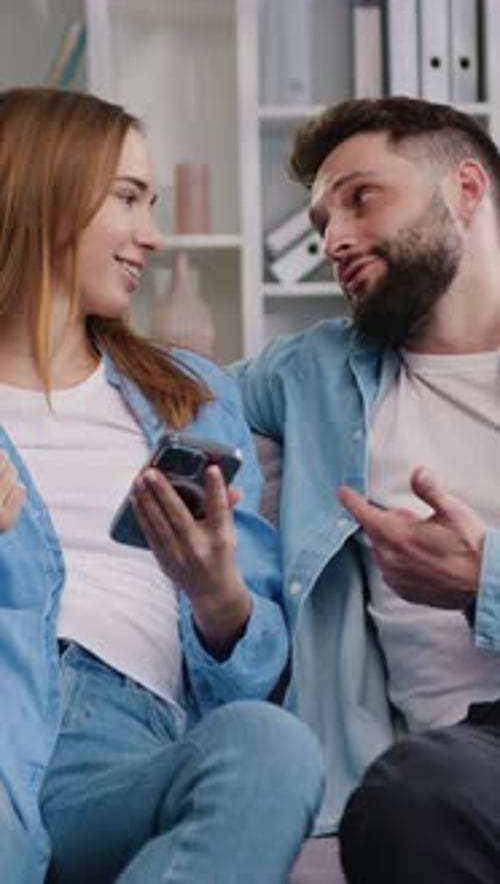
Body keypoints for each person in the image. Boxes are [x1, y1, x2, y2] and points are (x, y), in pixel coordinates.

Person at [0, 85, 324, 884]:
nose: (154, 234)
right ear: (44, 190)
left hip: (124, 749)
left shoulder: (188, 393)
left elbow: (251, 674)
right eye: (129, 199)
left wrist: (218, 598)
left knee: (271, 748)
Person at [232, 95, 500, 883]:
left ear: (466, 189)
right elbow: (140, 394)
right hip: (452, 769)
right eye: (320, 225)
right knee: (407, 801)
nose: (334, 241)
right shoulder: (312, 374)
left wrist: (480, 578)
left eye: (361, 197)